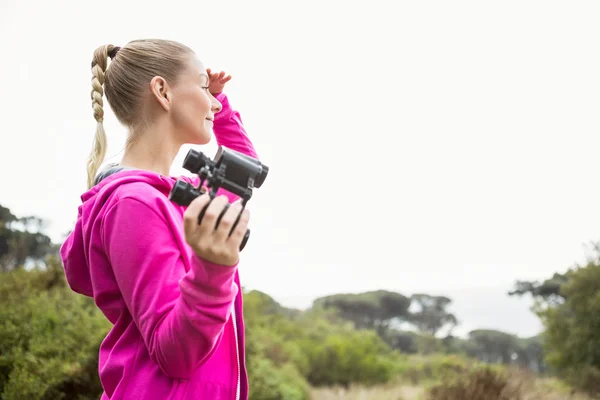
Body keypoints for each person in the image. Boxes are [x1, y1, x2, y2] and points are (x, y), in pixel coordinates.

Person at [60, 39, 259, 399]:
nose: (212, 101)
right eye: (202, 87)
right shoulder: (133, 204)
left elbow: (242, 174)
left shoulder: (176, 194)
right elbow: (175, 355)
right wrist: (213, 270)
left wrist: (223, 108)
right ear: (163, 91)